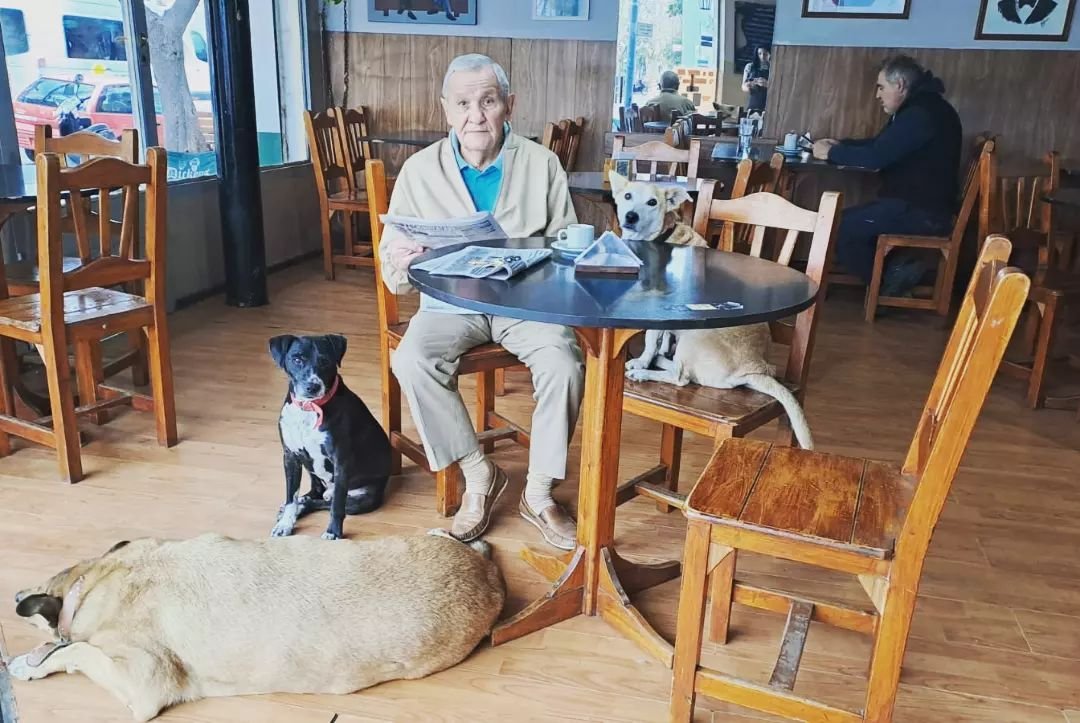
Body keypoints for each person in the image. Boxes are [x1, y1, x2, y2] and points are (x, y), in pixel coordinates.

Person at [379, 54, 583, 551]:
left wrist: (543, 259)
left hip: (526, 305)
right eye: (465, 103)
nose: (477, 115)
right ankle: (478, 474)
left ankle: (538, 492)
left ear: (508, 106)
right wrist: (404, 259)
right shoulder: (418, 170)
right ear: (446, 109)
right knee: (412, 359)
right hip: (451, 306)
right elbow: (392, 272)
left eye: (488, 101)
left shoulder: (543, 163)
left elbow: (566, 248)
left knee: (565, 360)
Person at [812, 55, 962, 296]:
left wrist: (833, 152)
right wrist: (841, 145)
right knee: (843, 221)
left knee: (837, 225)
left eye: (881, 87)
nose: (877, 95)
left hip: (923, 212)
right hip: (920, 206)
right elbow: (881, 145)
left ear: (900, 85)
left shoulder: (919, 114)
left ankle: (887, 285)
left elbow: (876, 158)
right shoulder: (923, 107)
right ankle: (894, 274)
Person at [741, 45, 771, 113]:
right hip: (754, 101)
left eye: (765, 54)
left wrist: (767, 84)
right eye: (759, 54)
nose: (762, 56)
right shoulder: (750, 66)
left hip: (768, 102)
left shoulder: (773, 68)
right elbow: (743, 86)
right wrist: (749, 86)